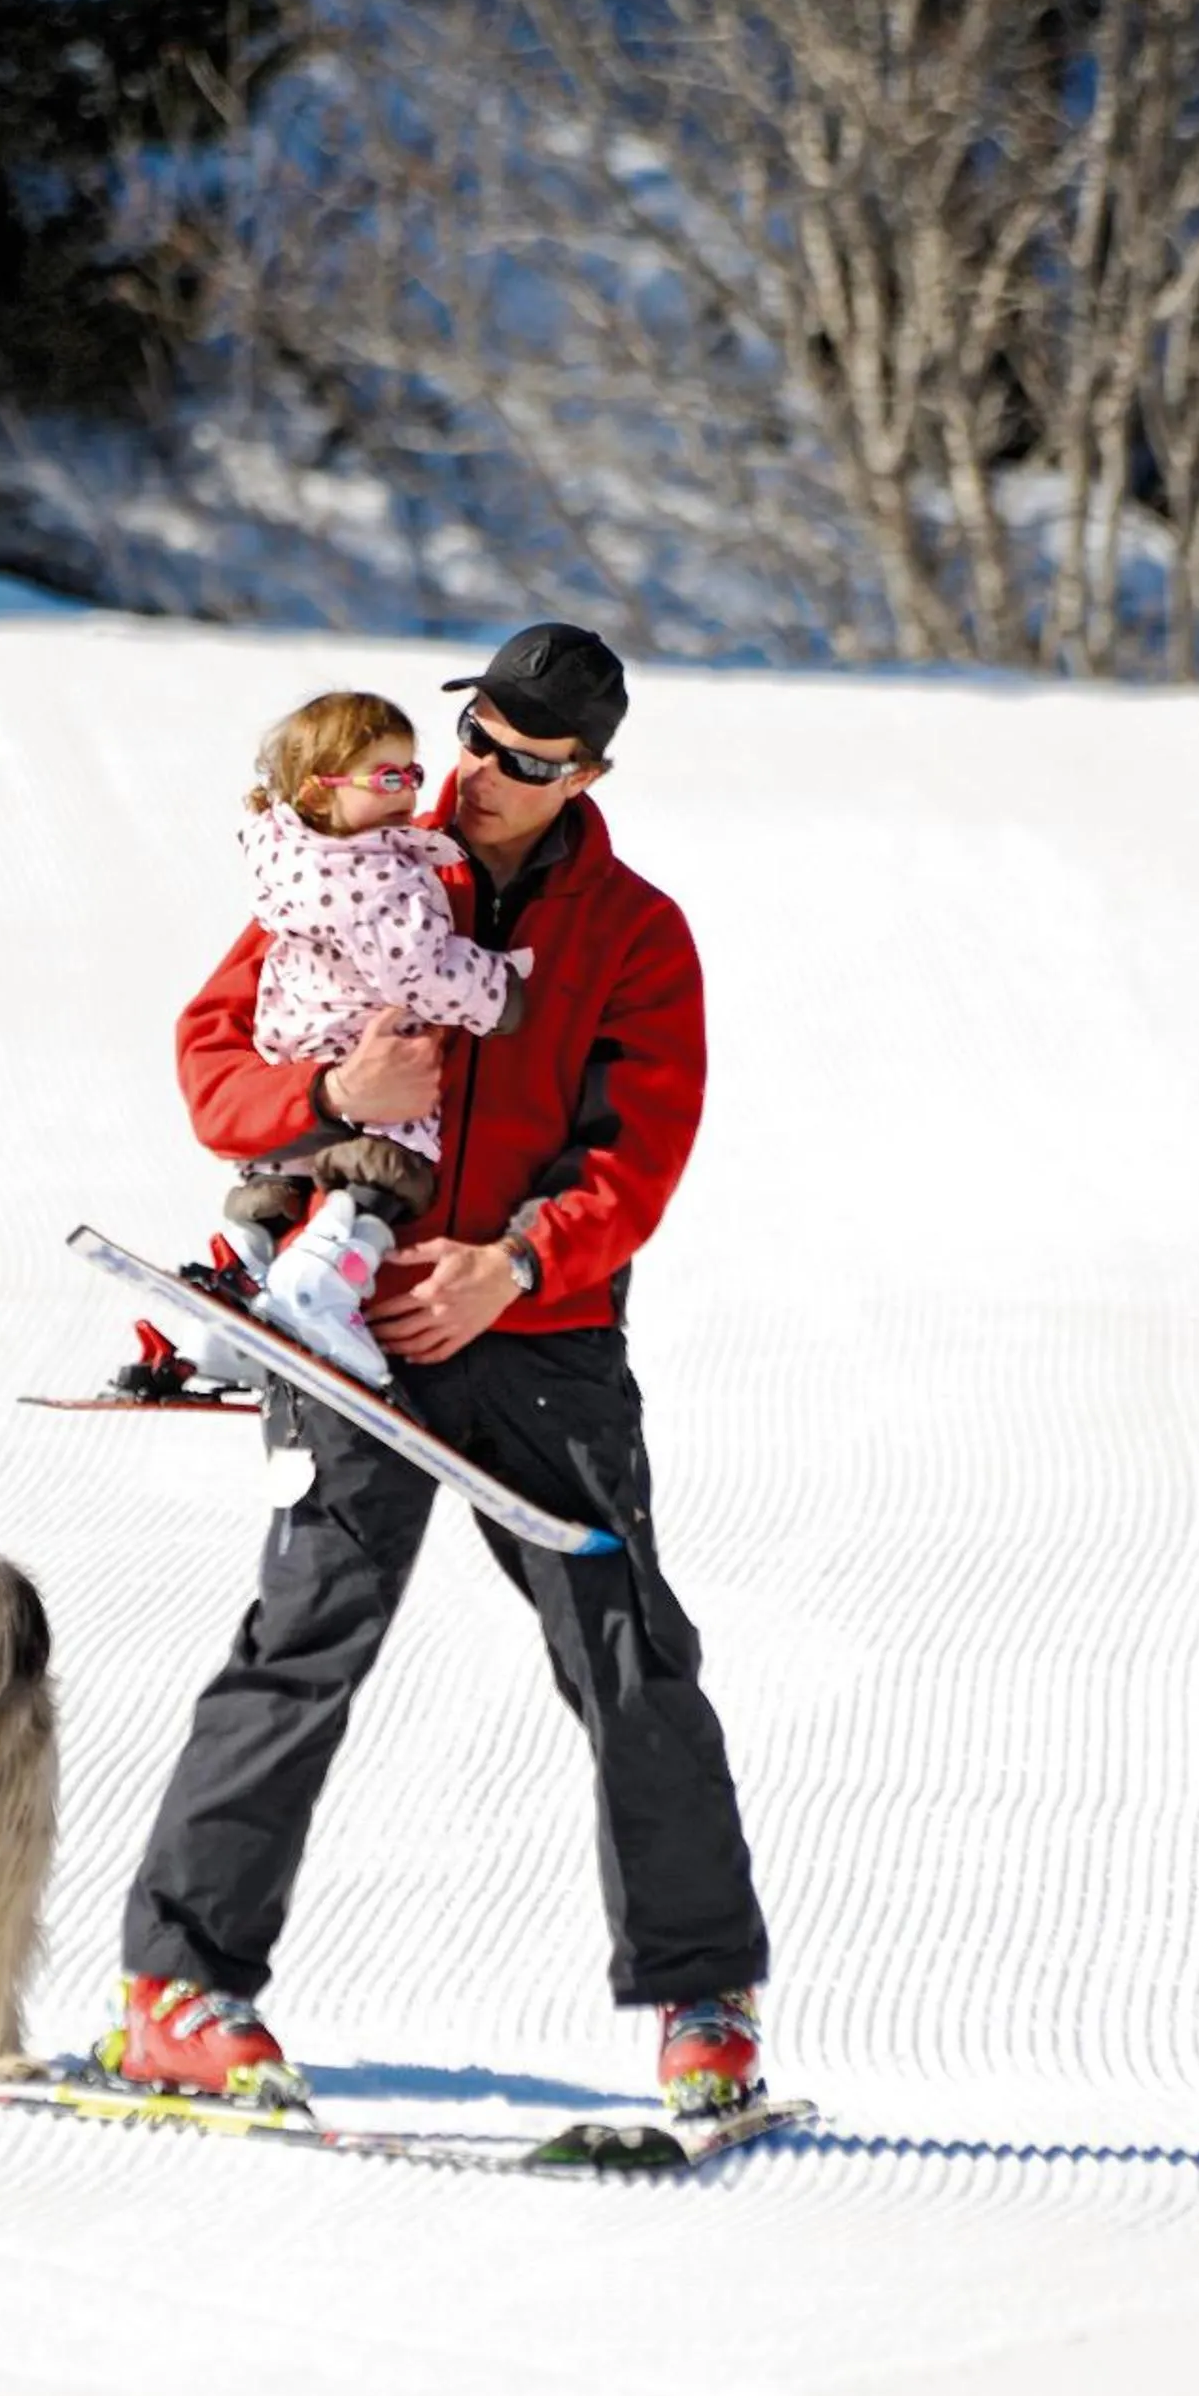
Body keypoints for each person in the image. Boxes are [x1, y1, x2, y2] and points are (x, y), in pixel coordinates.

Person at [97, 623, 771, 2118]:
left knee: (628, 1654)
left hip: (537, 1345)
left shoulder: (633, 932)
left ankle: (700, 1998)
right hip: (346, 1335)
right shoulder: (357, 857)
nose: (477, 776)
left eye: (527, 763)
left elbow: (635, 1148)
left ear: (585, 773)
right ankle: (178, 1989)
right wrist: (329, 1092)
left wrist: (514, 1263)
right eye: (474, 738)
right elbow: (213, 1053)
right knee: (306, 1637)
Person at [213, 688, 532, 1389]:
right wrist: (498, 988)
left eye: (413, 775)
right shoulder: (378, 876)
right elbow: (421, 969)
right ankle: (323, 1281)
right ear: (318, 790)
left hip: (292, 1074)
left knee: (280, 1185)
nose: (407, 793)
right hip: (369, 1074)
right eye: (386, 778)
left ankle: (240, 1280)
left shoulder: (291, 858)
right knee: (384, 1180)